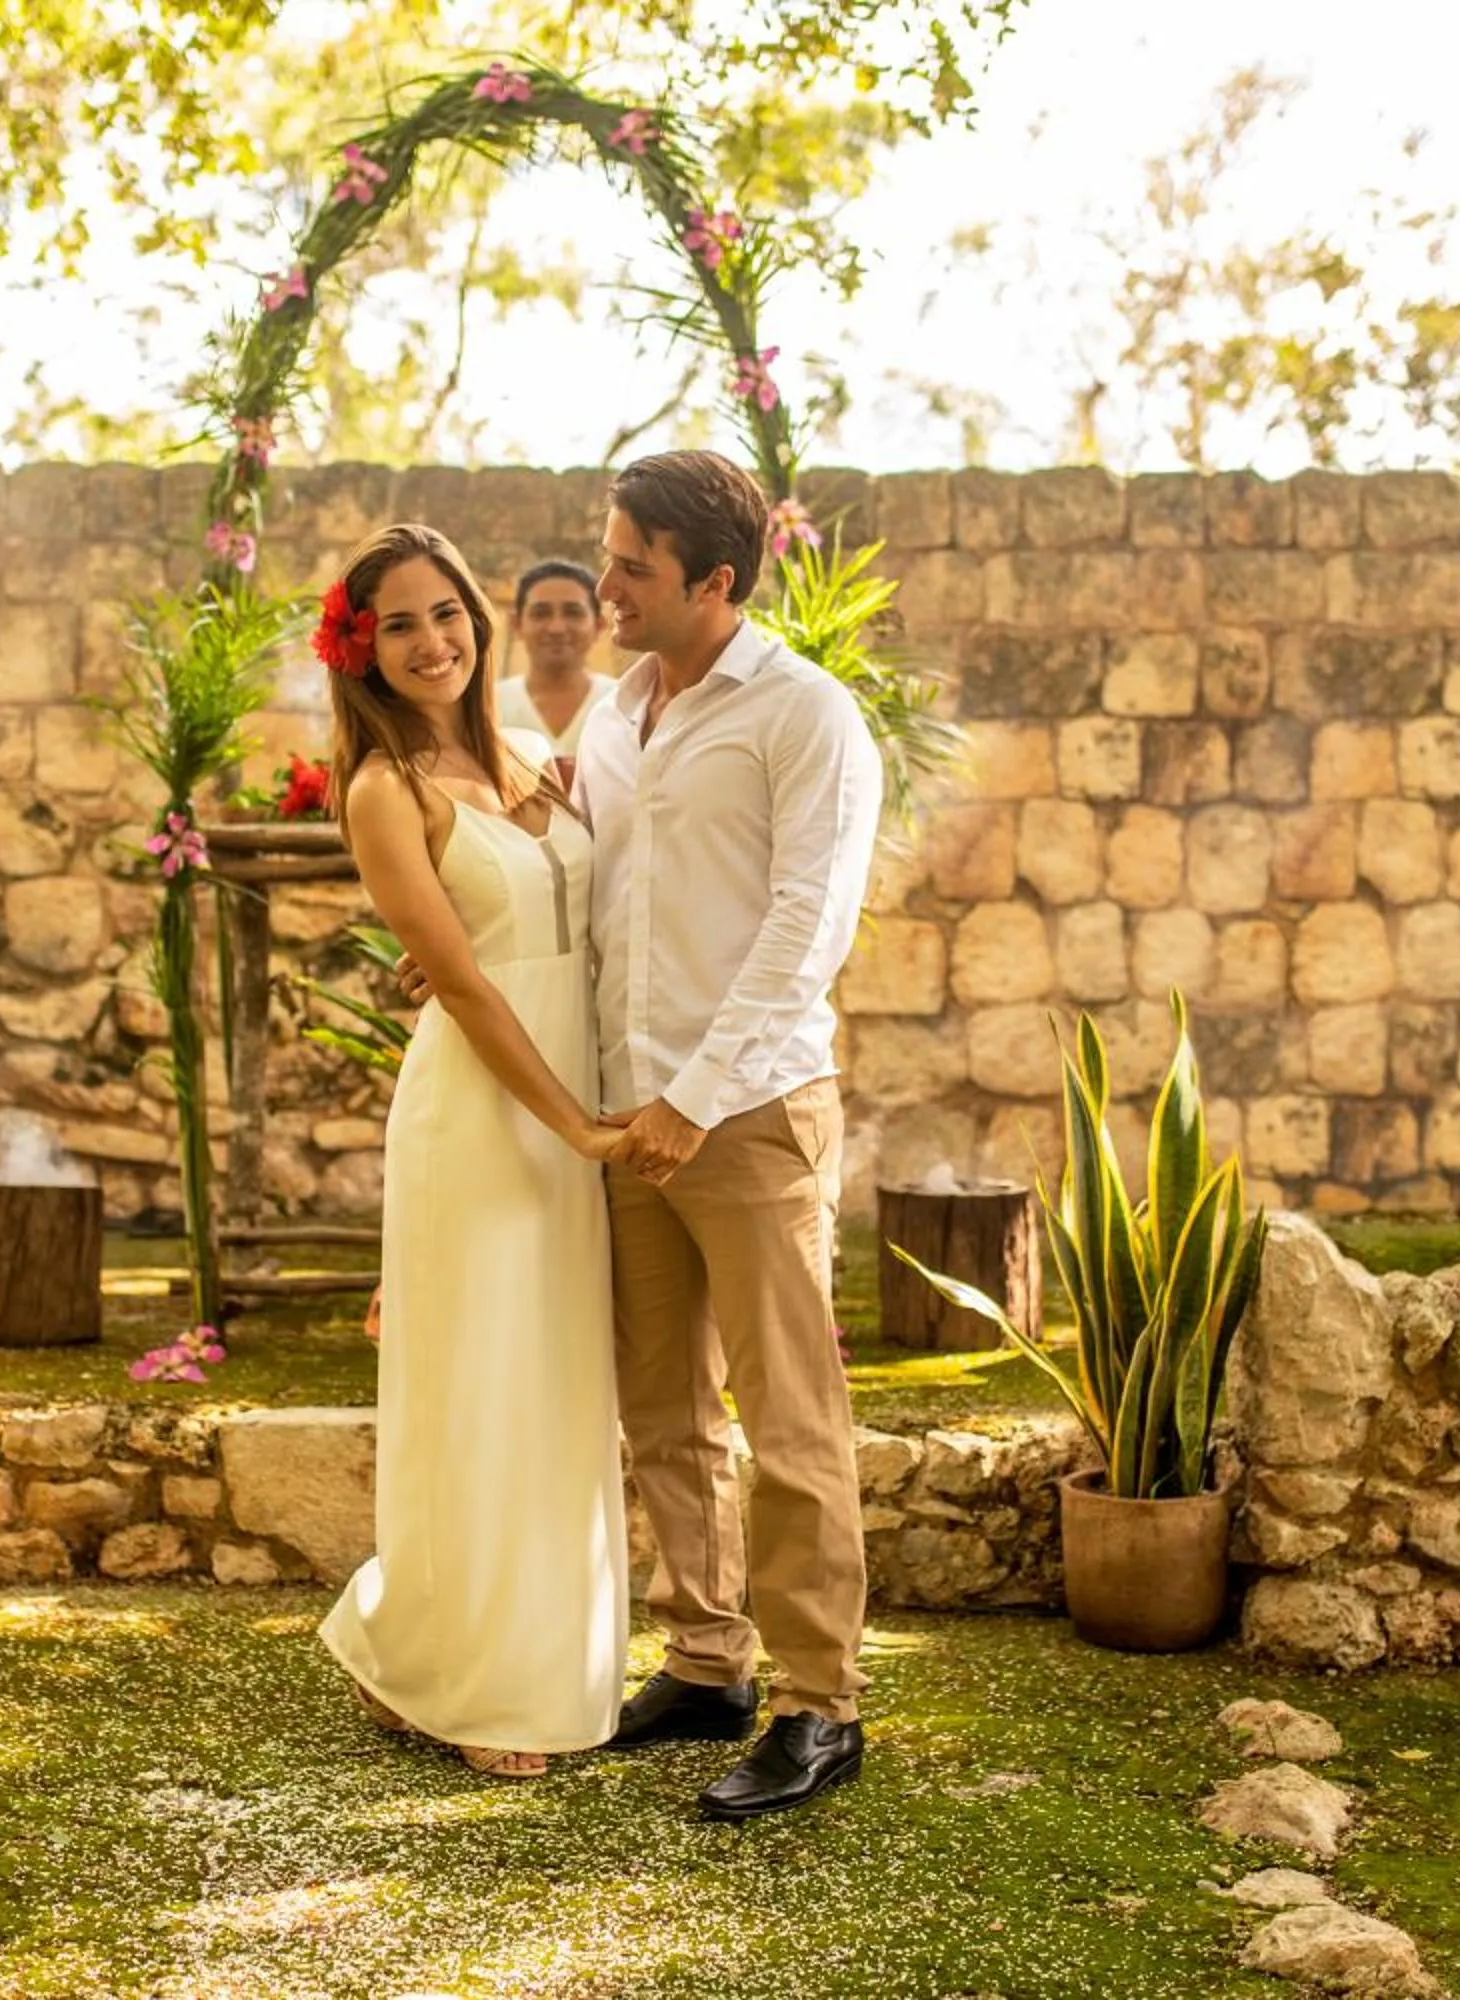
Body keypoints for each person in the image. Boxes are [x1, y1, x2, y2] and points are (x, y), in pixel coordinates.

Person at [575, 450, 883, 1822]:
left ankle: (822, 1703)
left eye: (632, 565)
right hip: (628, 1109)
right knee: (663, 1404)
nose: (608, 584)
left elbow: (809, 923)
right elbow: (587, 895)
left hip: (746, 1111)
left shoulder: (806, 714)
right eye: (609, 555)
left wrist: (695, 1098)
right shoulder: (613, 715)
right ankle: (706, 1659)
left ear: (713, 580)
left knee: (788, 1411)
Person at [313, 523, 631, 1782]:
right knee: (480, 1385)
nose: (431, 640)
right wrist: (576, 1125)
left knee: (553, 1387)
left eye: (444, 611)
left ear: (475, 618)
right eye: (398, 623)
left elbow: (575, 915)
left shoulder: (537, 758)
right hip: (484, 1116)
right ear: (363, 649)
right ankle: (474, 1677)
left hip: (569, 1097)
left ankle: (419, 1642)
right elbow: (464, 984)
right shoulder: (381, 791)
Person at [494, 558, 616, 777]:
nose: (556, 628)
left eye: (573, 613)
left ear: (599, 624)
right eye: (541, 613)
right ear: (516, 624)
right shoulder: (489, 704)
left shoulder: (625, 703)